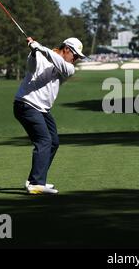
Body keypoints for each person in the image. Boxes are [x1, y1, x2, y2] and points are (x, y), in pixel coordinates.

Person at [14, 36, 85, 194]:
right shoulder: (40, 54)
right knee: (44, 140)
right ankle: (36, 183)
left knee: (53, 142)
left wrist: (40, 47)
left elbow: (57, 62)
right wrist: (33, 52)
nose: (76, 60)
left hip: (42, 108)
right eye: (76, 56)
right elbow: (31, 69)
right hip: (26, 104)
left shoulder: (68, 67)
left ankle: (35, 178)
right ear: (66, 49)